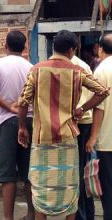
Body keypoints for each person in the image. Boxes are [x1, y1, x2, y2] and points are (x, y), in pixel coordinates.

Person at [17, 30, 109, 220]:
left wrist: (22, 128)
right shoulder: (77, 71)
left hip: (41, 138)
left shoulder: (36, 70)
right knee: (70, 187)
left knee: (41, 185)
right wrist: (82, 109)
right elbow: (102, 92)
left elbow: (23, 102)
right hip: (68, 138)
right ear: (71, 50)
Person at [0, 30, 34, 220]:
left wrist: (8, 107)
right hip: (28, 121)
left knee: (7, 175)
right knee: (29, 172)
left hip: (5, 123)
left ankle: (8, 218)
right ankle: (31, 215)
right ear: (25, 47)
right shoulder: (31, 66)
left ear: (5, 45)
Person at [86, 33, 112, 220]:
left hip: (107, 140)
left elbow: (99, 107)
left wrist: (92, 137)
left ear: (100, 49)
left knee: (108, 187)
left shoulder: (101, 71)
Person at [71, 55, 96, 220]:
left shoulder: (67, 66)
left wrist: (80, 109)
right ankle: (88, 213)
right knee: (82, 170)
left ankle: (81, 215)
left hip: (76, 122)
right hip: (85, 121)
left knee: (76, 172)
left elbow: (101, 91)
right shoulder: (84, 66)